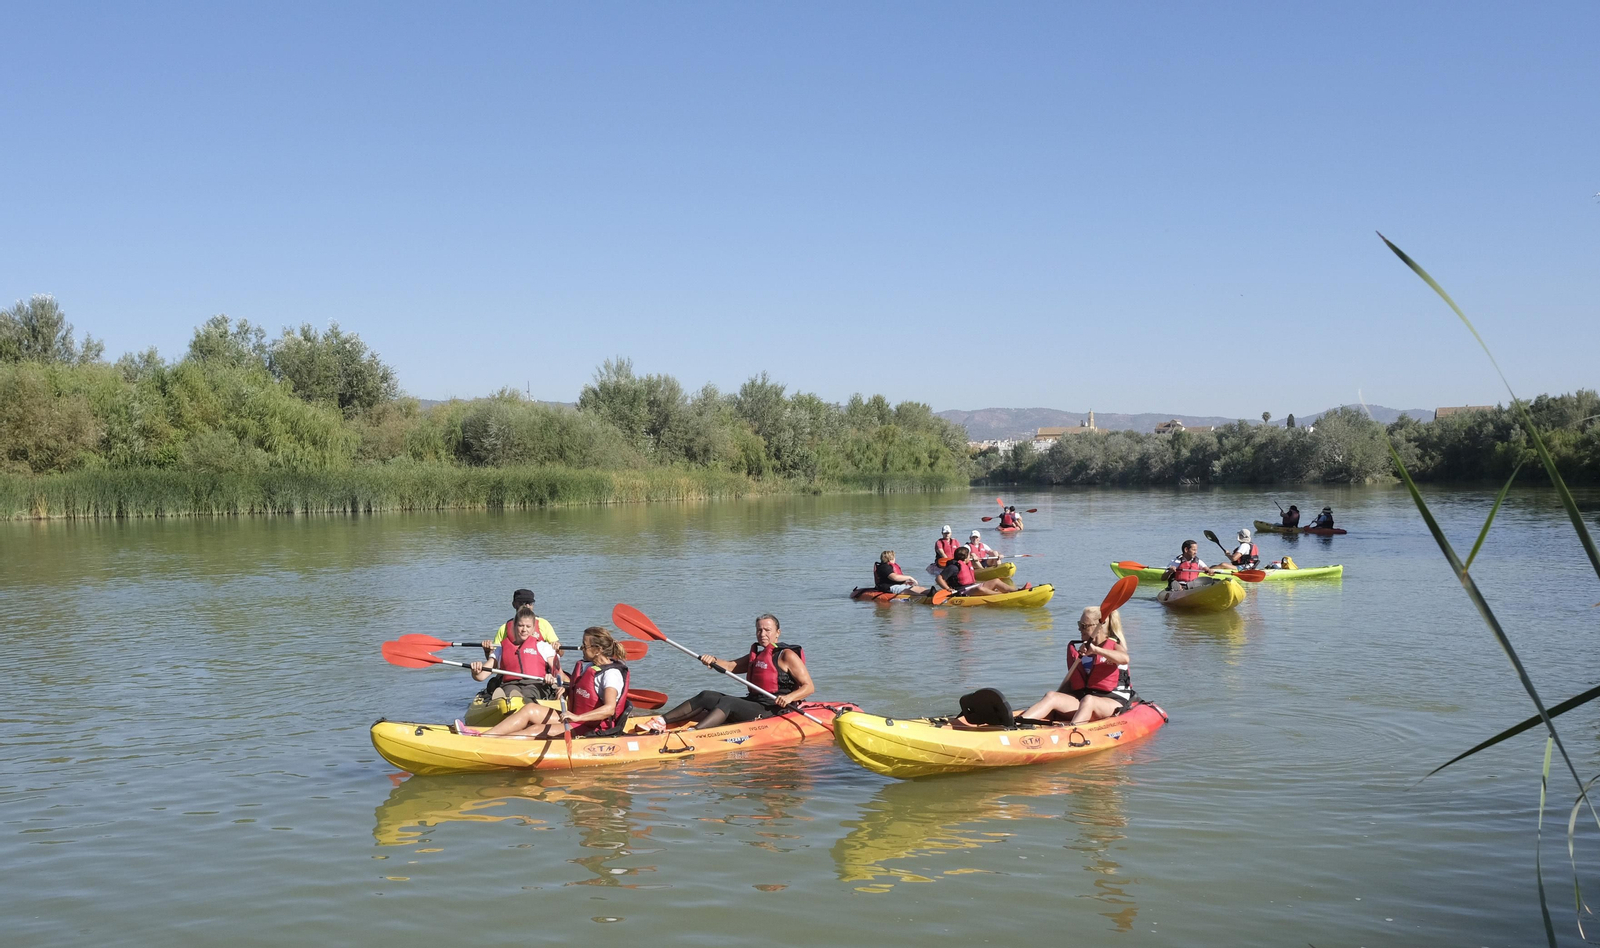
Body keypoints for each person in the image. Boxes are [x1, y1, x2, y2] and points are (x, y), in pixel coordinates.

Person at [644, 614, 814, 731]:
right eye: (759, 630)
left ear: (777, 633)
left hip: (774, 708)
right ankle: (660, 721)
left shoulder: (787, 655)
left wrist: (789, 697)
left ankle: (695, 733)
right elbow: (731, 666)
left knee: (728, 702)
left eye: (767, 630)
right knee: (707, 695)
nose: (762, 634)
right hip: (754, 702)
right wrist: (712, 660)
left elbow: (809, 687)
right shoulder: (757, 655)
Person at [460, 626, 631, 738]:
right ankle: (485, 737)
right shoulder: (588, 666)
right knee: (530, 709)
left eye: (584, 646)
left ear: (598, 650)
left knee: (535, 730)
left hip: (590, 726)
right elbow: (581, 689)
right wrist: (567, 690)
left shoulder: (611, 675)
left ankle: (489, 743)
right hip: (573, 719)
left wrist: (577, 716)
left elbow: (609, 709)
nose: (581, 648)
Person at [1018, 605, 1132, 725]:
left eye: (1084, 626)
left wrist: (1097, 650)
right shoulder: (1082, 650)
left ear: (1098, 627)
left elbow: (1124, 659)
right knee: (1051, 696)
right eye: (1079, 625)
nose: (1079, 629)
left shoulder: (1114, 646)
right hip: (1083, 699)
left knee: (1089, 700)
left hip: (1112, 701)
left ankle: (1071, 732)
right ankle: (1018, 724)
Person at [470, 604, 561, 701]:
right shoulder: (501, 649)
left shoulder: (543, 647)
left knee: (528, 693)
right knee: (510, 691)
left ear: (534, 628)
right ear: (514, 626)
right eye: (520, 625)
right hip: (510, 684)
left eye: (528, 626)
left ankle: (516, 702)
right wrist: (475, 672)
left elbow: (559, 674)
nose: (524, 630)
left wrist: (552, 677)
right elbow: (481, 676)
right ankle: (506, 700)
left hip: (536, 684)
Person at [481, 588, 558, 659]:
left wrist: (557, 648)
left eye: (529, 603)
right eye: (522, 603)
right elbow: (493, 661)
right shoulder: (503, 629)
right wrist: (487, 651)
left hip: (540, 671)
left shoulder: (544, 624)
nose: (526, 606)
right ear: (514, 604)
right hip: (511, 670)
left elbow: (560, 653)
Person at [935, 547, 1021, 597]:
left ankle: (1017, 591)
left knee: (996, 580)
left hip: (972, 587)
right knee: (979, 588)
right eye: (969, 555)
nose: (970, 557)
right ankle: (1001, 595)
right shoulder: (953, 567)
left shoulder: (967, 563)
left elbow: (980, 567)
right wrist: (947, 588)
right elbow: (939, 578)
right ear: (965, 557)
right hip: (962, 592)